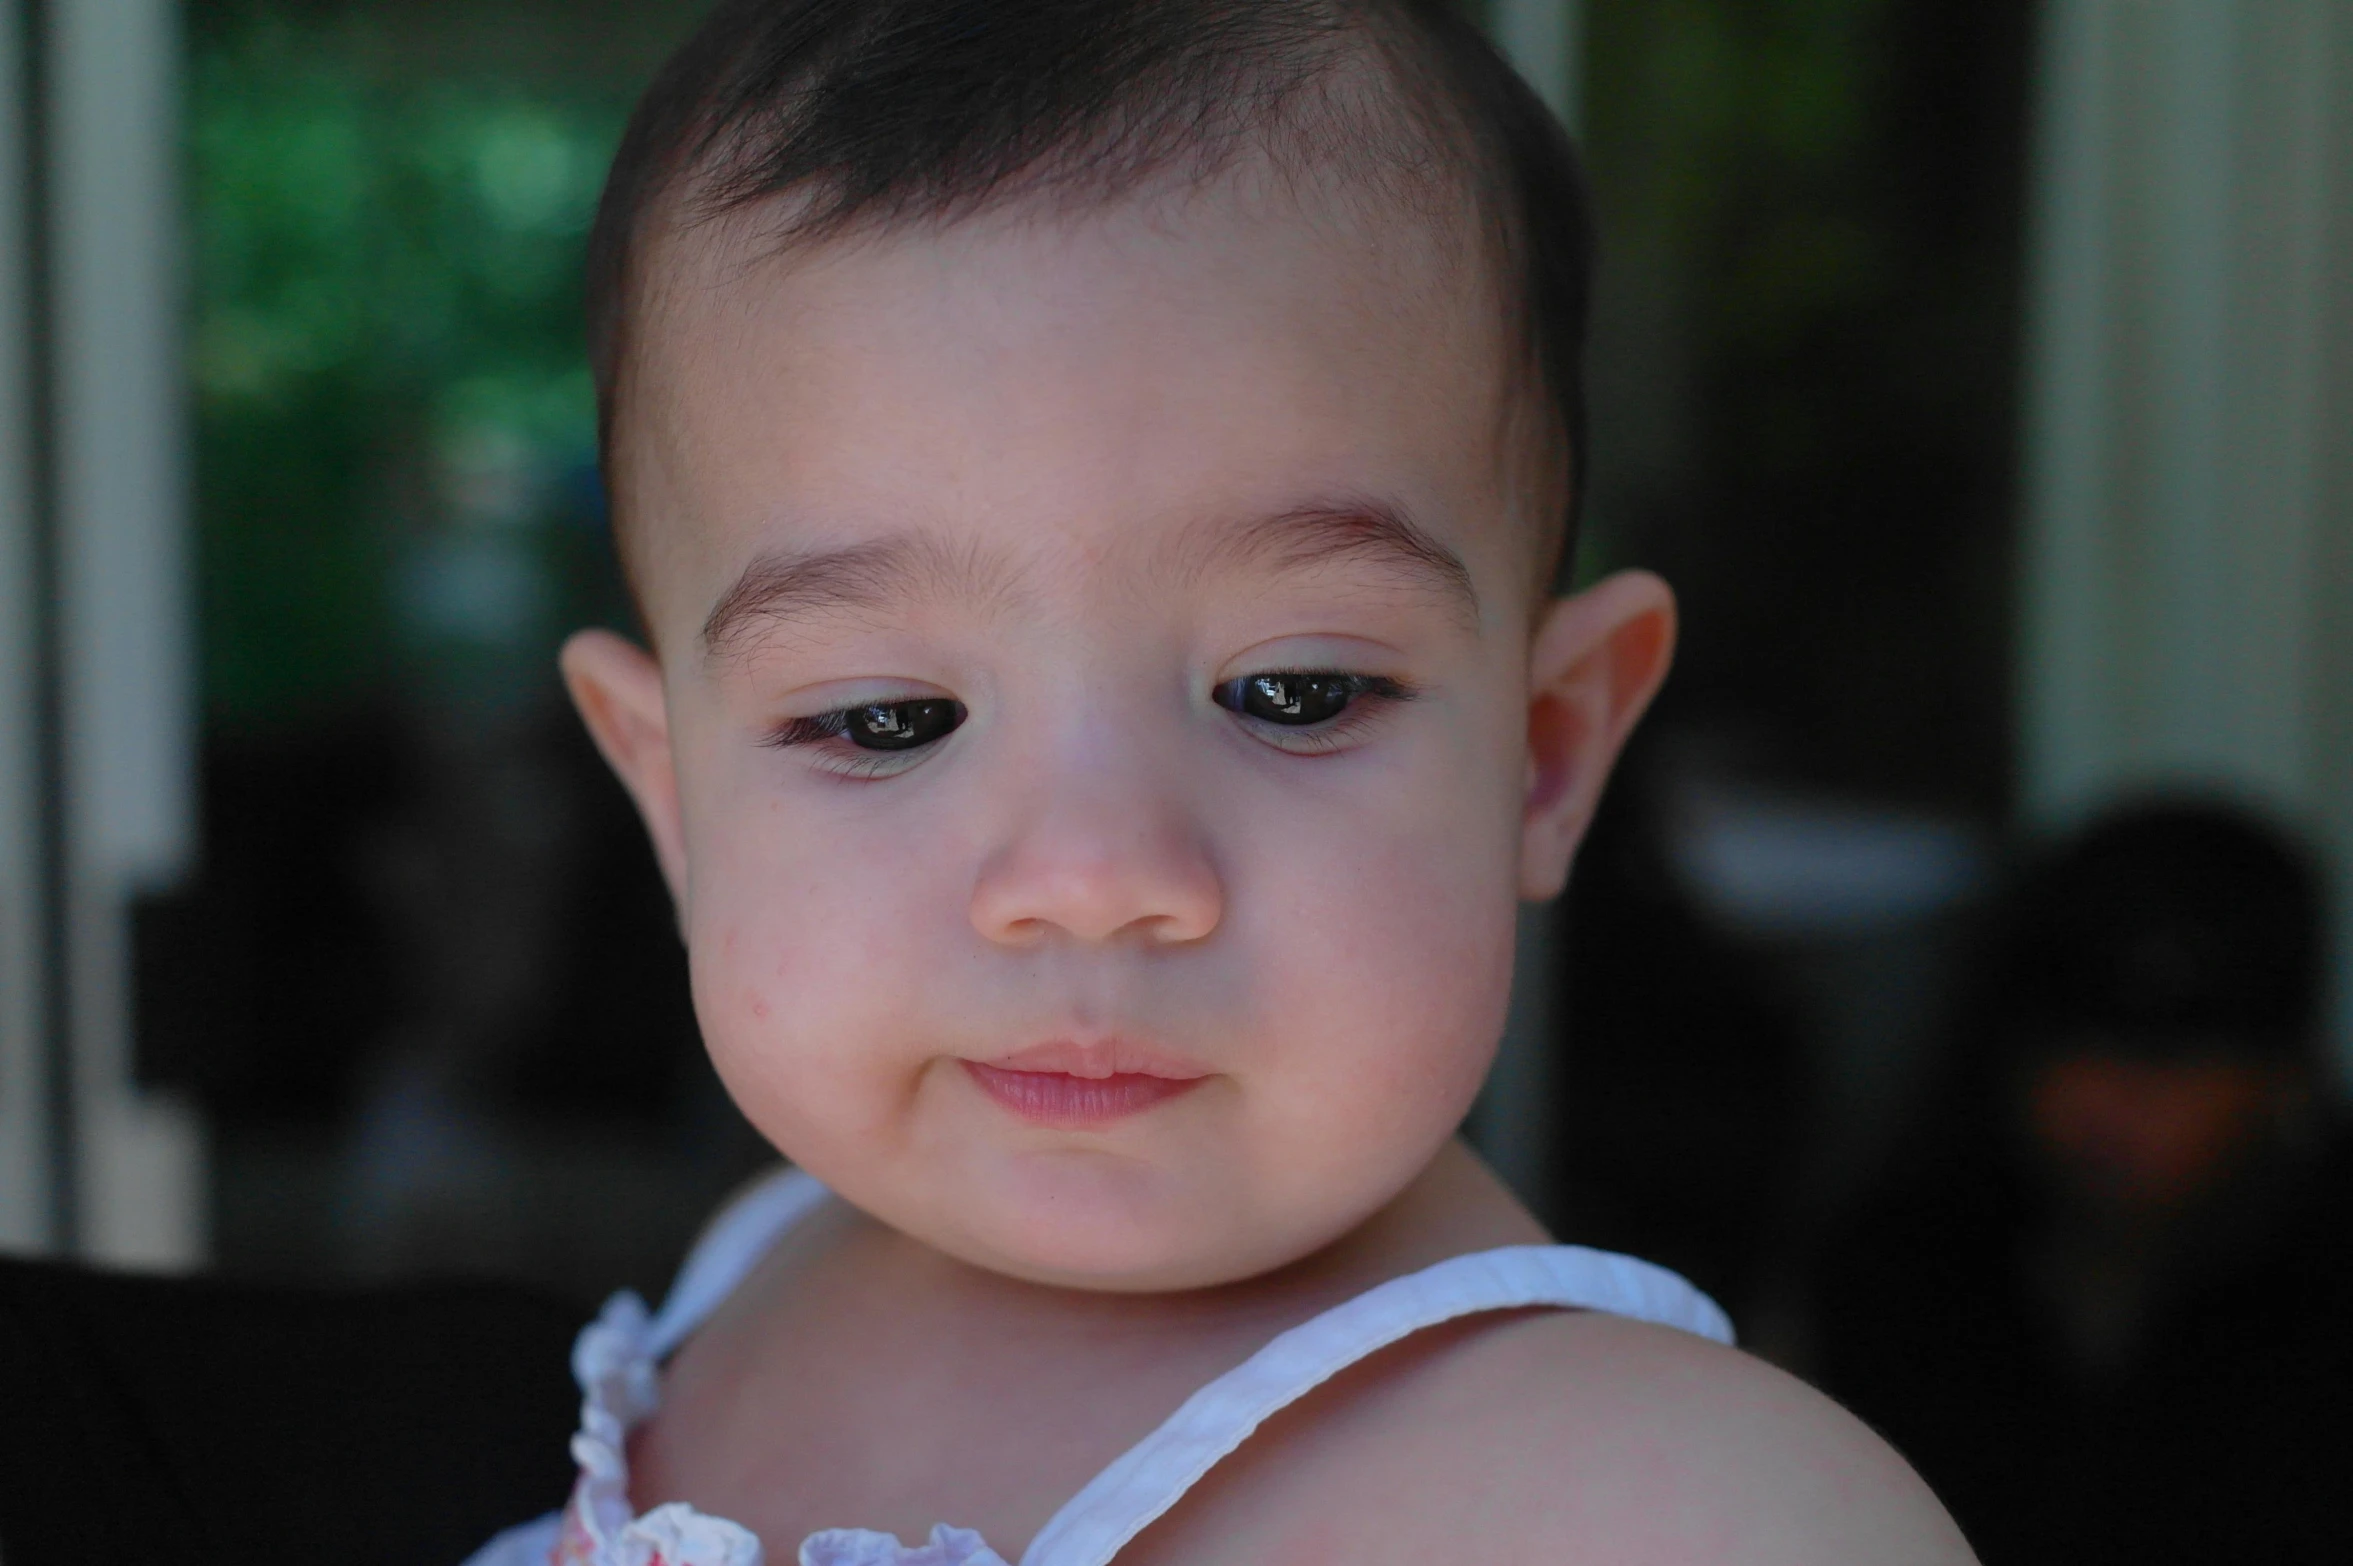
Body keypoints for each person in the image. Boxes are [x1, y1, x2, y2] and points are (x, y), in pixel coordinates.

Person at [469, 3, 1975, 1562]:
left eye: (1291, 692)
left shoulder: (1683, 1513)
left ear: (1546, 751)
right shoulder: (746, 1274)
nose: (1094, 868)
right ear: (670, 792)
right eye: (887, 716)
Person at [1810, 800, 2353, 1564]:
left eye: (2168, 1063)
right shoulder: (1913, 1266)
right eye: (2070, 1047)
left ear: (2281, 1078)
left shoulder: (2326, 1283)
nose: (2105, 1100)